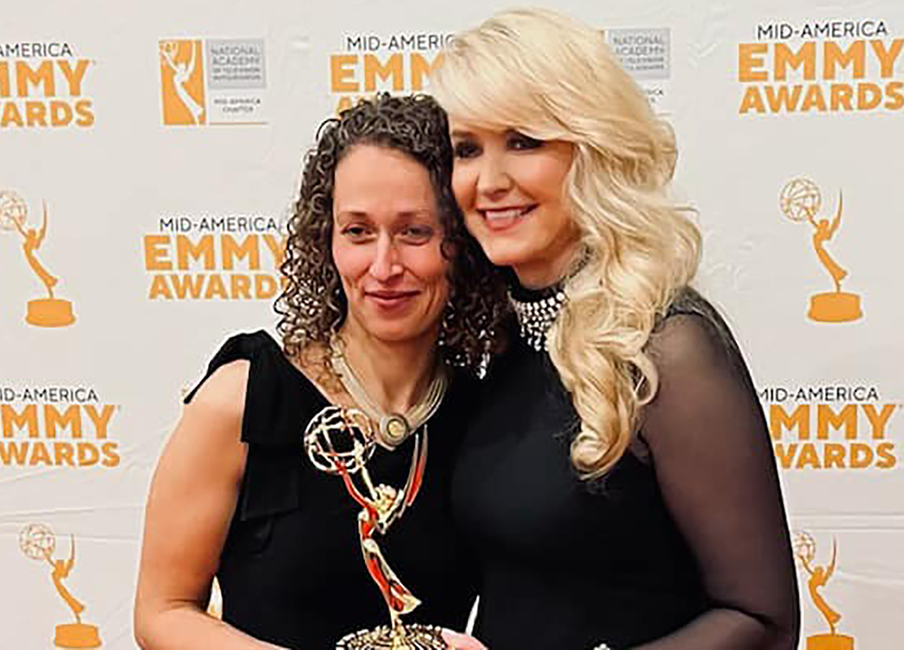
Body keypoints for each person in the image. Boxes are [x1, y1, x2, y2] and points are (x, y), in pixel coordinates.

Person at [431, 8, 800, 649]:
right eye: (467, 149)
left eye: (524, 140)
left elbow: (762, 621)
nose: (488, 182)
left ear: (592, 150)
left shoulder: (668, 348)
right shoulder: (500, 342)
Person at [133, 93, 503, 650]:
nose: (383, 267)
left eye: (414, 232)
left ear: (463, 245)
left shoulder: (486, 415)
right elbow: (162, 612)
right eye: (357, 231)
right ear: (324, 238)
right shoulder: (242, 399)